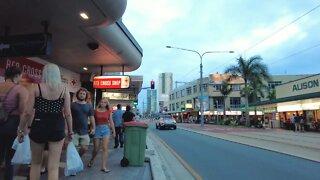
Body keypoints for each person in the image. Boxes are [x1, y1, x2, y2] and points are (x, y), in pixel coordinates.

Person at [17, 63, 73, 180]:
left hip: (39, 125)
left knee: (36, 164)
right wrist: (70, 131)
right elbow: (67, 113)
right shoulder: (64, 90)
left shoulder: (36, 87)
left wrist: (21, 129)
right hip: (57, 126)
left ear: (44, 73)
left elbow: (27, 112)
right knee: (53, 166)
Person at [0, 66, 28, 180]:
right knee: (10, 159)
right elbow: (23, 112)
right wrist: (22, 130)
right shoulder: (20, 90)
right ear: (16, 76)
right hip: (11, 124)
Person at [87, 98, 115, 173]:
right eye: (101, 102)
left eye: (104, 102)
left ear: (106, 104)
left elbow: (111, 121)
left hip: (106, 129)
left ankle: (103, 166)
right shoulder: (95, 111)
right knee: (96, 149)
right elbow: (92, 121)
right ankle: (92, 160)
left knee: (105, 148)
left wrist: (114, 131)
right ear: (99, 103)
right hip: (97, 129)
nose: (102, 103)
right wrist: (92, 128)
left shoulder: (109, 111)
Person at [71, 88, 95, 157]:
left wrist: (93, 128)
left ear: (86, 95)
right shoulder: (72, 105)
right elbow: (68, 116)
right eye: (80, 93)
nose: (82, 95)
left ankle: (78, 157)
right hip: (74, 130)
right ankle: (75, 163)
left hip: (84, 131)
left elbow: (92, 117)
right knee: (74, 149)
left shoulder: (89, 106)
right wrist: (67, 129)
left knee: (84, 148)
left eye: (83, 94)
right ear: (78, 95)